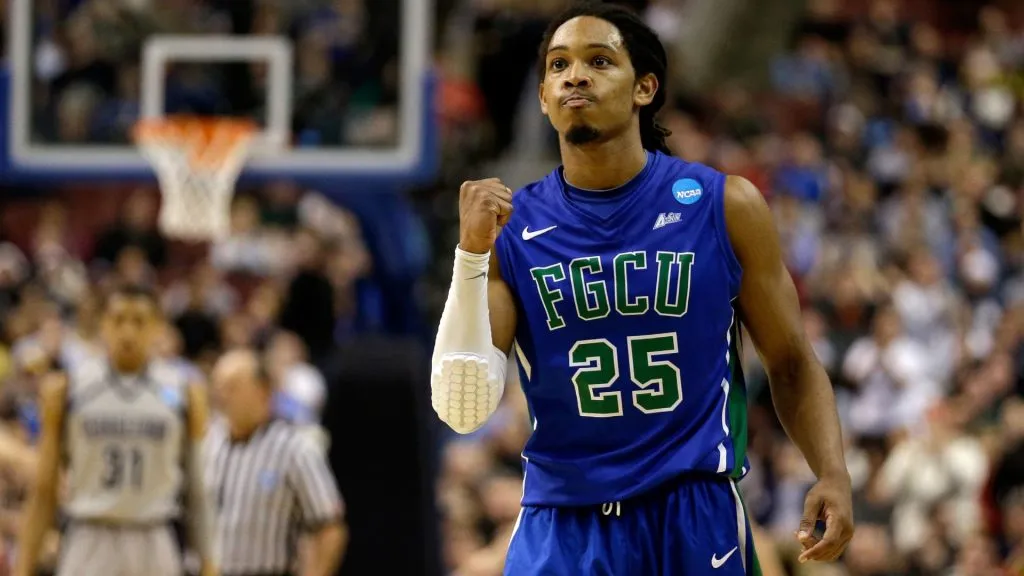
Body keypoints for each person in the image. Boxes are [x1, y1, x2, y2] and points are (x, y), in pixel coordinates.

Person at [430, 2, 855, 574]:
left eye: (598, 60)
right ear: (543, 98)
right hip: (563, 520)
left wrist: (831, 471)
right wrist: (470, 257)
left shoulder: (723, 206)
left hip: (692, 508)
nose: (574, 75)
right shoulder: (512, 231)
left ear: (645, 87)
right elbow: (463, 408)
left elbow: (792, 362)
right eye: (557, 66)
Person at [14, 285, 217, 576]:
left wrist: (209, 562)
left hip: (155, 535)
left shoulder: (185, 392)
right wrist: (24, 565)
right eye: (118, 319)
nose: (128, 332)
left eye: (139, 321)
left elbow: (197, 489)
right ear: (103, 325)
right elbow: (44, 488)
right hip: (89, 534)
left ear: (158, 327)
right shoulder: (68, 388)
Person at [206, 349, 347, 576]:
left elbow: (330, 529)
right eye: (218, 386)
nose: (222, 395)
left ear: (263, 391)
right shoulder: (207, 443)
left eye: (232, 386)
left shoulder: (295, 449)